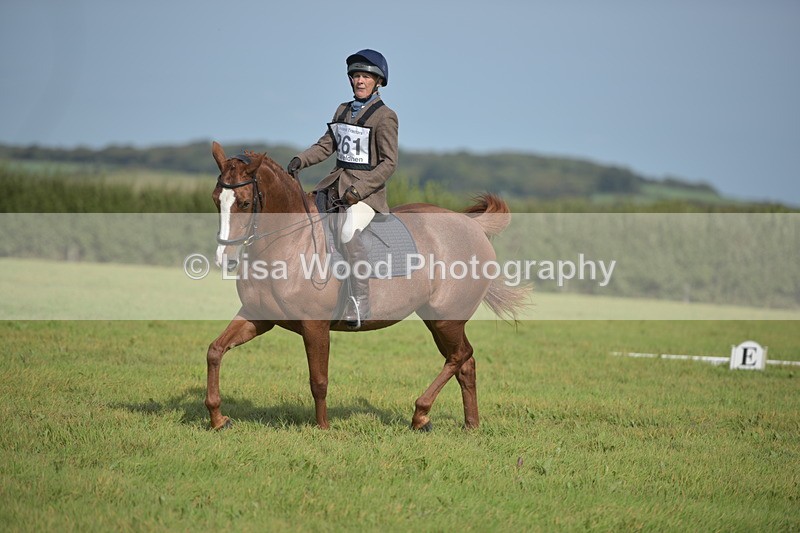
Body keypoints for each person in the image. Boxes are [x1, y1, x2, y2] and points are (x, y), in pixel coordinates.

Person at [287, 49, 399, 329]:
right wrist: (302, 159)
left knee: (348, 230)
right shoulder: (343, 110)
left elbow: (388, 163)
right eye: (355, 76)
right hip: (335, 187)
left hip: (367, 195)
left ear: (378, 82)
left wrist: (360, 190)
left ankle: (360, 300)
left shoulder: (385, 117)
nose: (359, 81)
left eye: (366, 77)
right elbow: (327, 146)